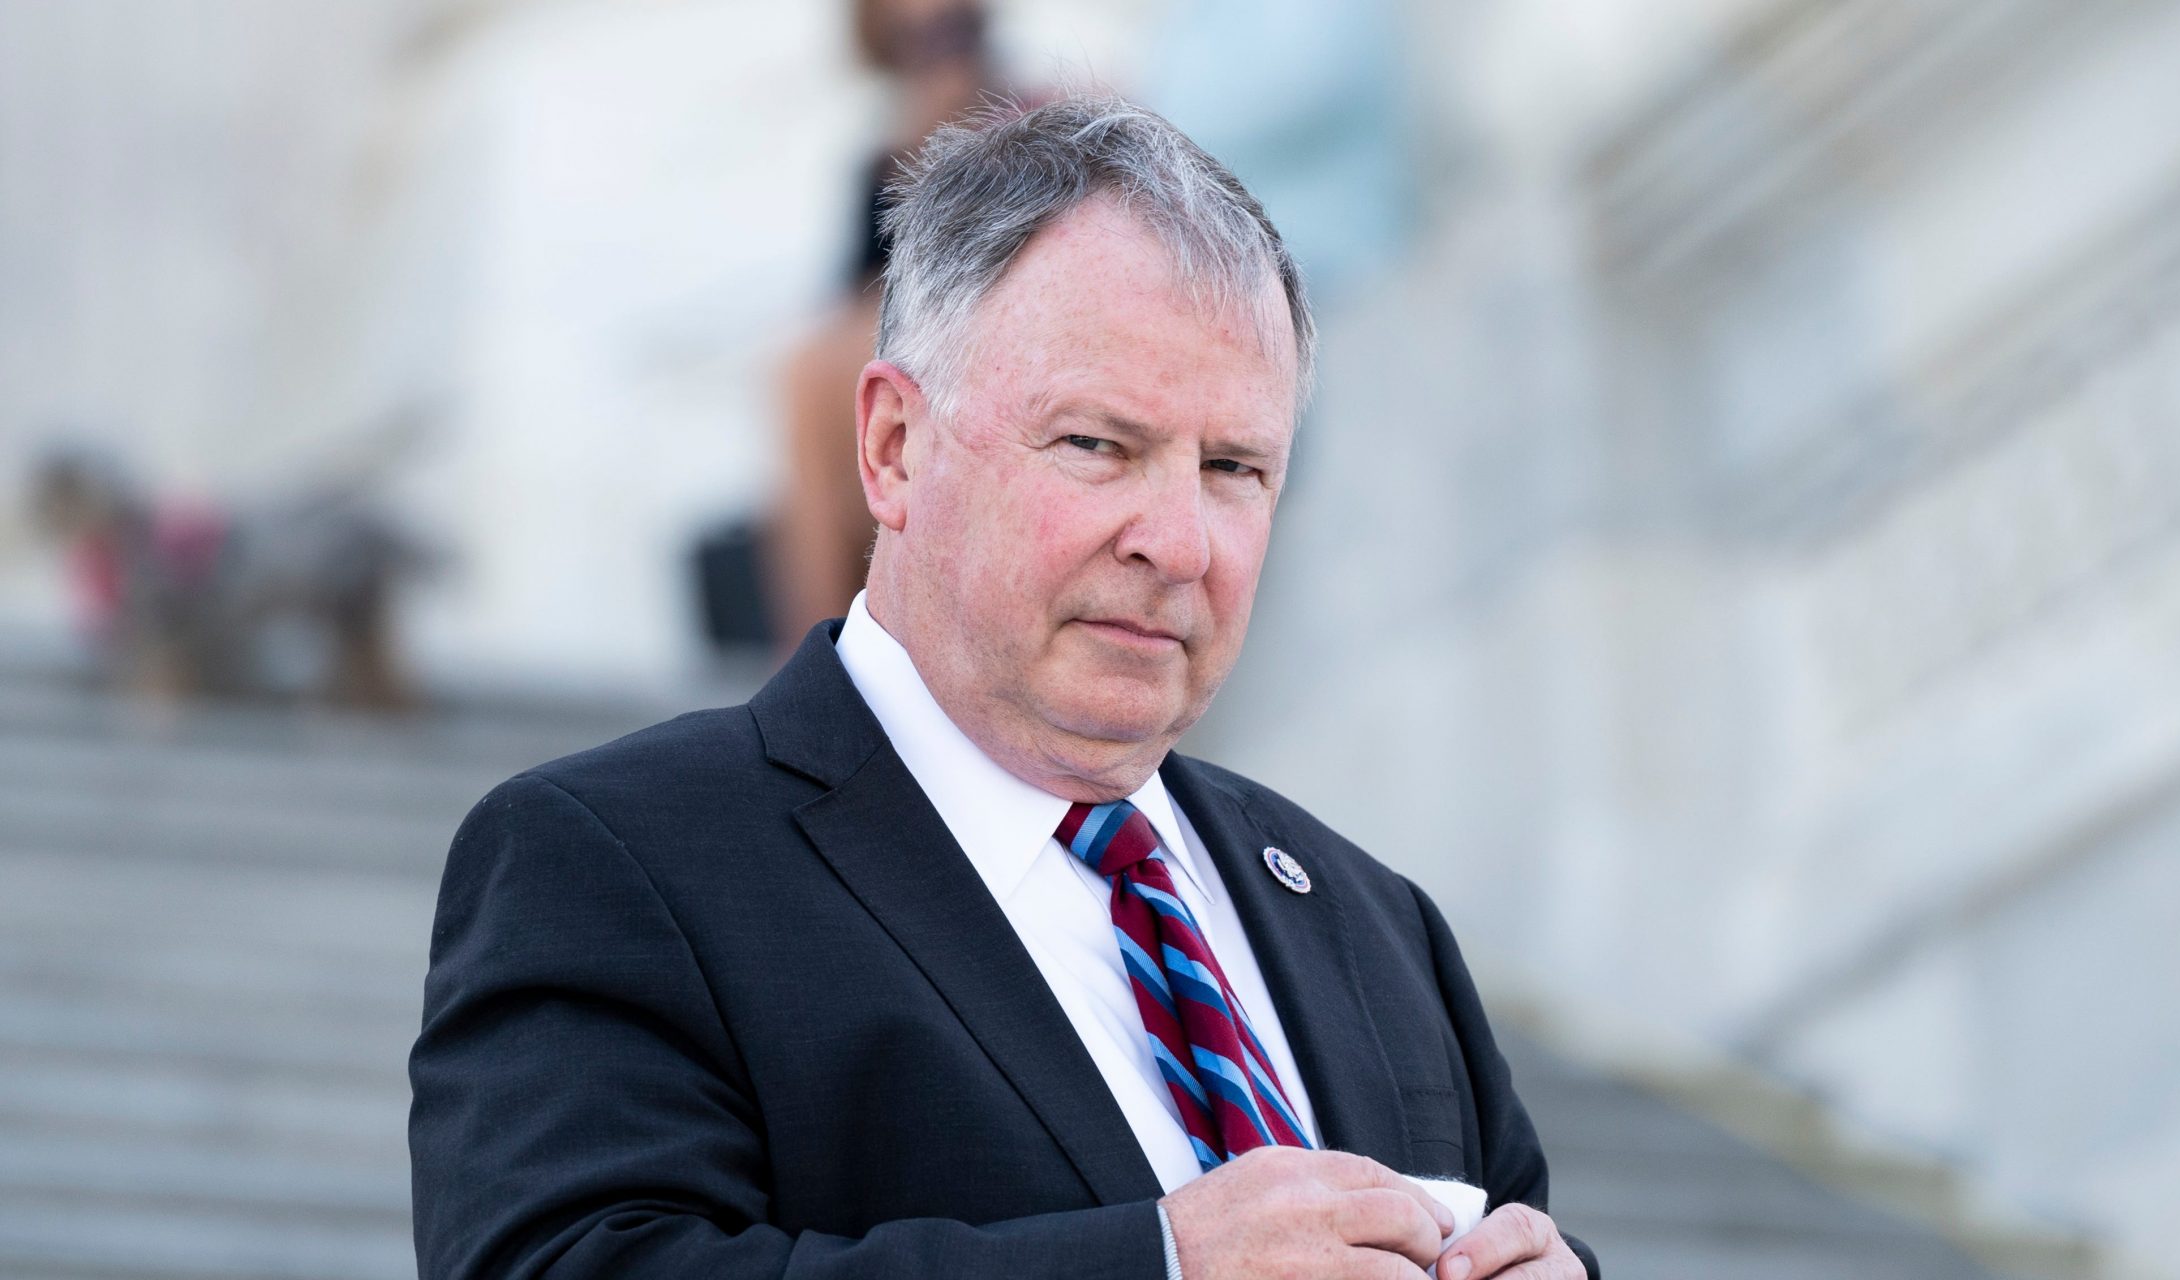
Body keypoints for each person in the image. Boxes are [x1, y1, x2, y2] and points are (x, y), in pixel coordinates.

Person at [409, 97, 1596, 1280]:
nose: (1178, 542)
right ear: (892, 447)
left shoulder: (1374, 922)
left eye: (1234, 467)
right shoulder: (616, 862)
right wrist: (1157, 1266)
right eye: (1097, 444)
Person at [766, 0, 1012, 649]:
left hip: (980, 347)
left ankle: (814, 648)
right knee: (810, 378)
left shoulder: (1042, 131)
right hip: (892, 373)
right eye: (919, 42)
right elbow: (850, 295)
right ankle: (816, 645)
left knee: (818, 377)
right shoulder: (879, 160)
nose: (938, 59)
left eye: (950, 34)